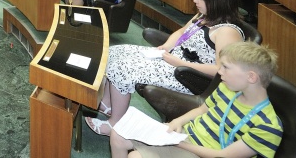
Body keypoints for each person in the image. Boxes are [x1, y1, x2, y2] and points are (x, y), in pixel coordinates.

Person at [86, 0, 245, 136]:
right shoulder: (204, 16)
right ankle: (108, 104)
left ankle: (115, 123)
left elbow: (220, 69)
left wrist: (179, 63)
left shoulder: (227, 32)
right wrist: (168, 45)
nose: (194, 0)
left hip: (188, 76)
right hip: (172, 59)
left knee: (121, 68)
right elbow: (181, 32)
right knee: (113, 52)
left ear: (215, 2)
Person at [109, 41, 282, 158]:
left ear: (251, 77)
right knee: (118, 134)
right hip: (186, 136)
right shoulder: (228, 88)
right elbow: (202, 109)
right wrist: (177, 122)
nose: (219, 72)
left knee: (135, 156)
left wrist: (178, 144)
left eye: (226, 68)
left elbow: (222, 155)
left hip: (205, 153)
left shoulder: (267, 126)